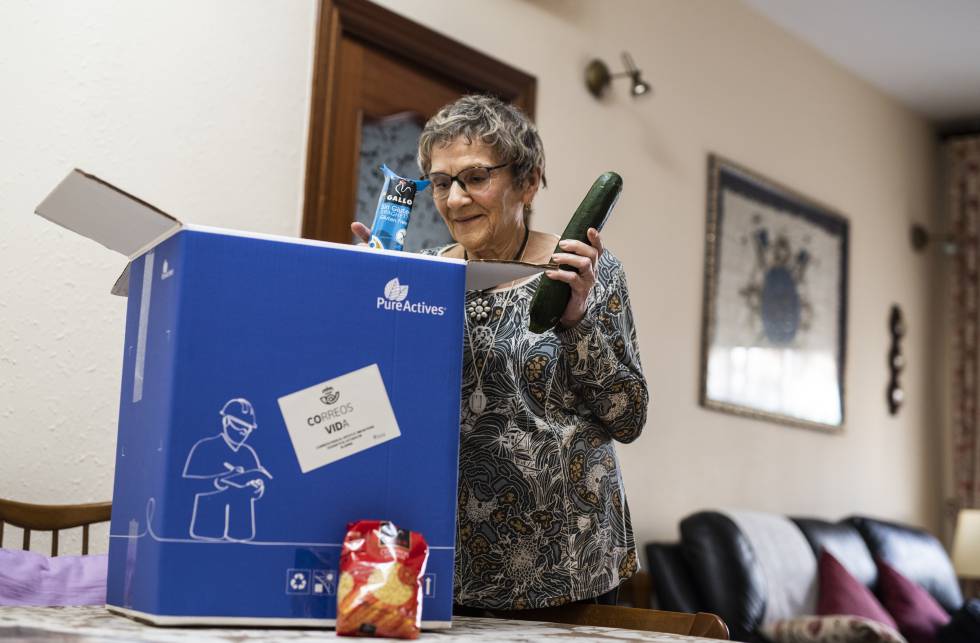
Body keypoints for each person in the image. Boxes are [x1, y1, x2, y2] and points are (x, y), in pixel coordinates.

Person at [352, 94, 648, 611]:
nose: (456, 199)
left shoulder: (586, 272)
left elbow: (629, 417)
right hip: (438, 555)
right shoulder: (416, 278)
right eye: (441, 183)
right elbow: (372, 399)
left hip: (566, 562)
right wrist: (359, 298)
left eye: (475, 177)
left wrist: (576, 318)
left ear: (528, 181)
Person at [182, 398, 272, 542]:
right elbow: (187, 486)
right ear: (225, 422)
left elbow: (257, 492)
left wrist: (257, 488)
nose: (243, 431)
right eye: (238, 425)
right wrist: (219, 481)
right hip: (208, 530)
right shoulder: (204, 448)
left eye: (247, 428)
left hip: (242, 533)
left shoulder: (249, 453)